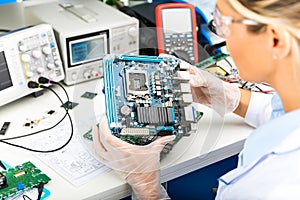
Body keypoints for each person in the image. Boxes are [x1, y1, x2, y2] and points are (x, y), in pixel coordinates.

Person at [92, 0, 300, 198]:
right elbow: (282, 114)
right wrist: (228, 96)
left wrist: (147, 189)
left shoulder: (276, 187)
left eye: (224, 25)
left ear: (275, 39)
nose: (223, 38)